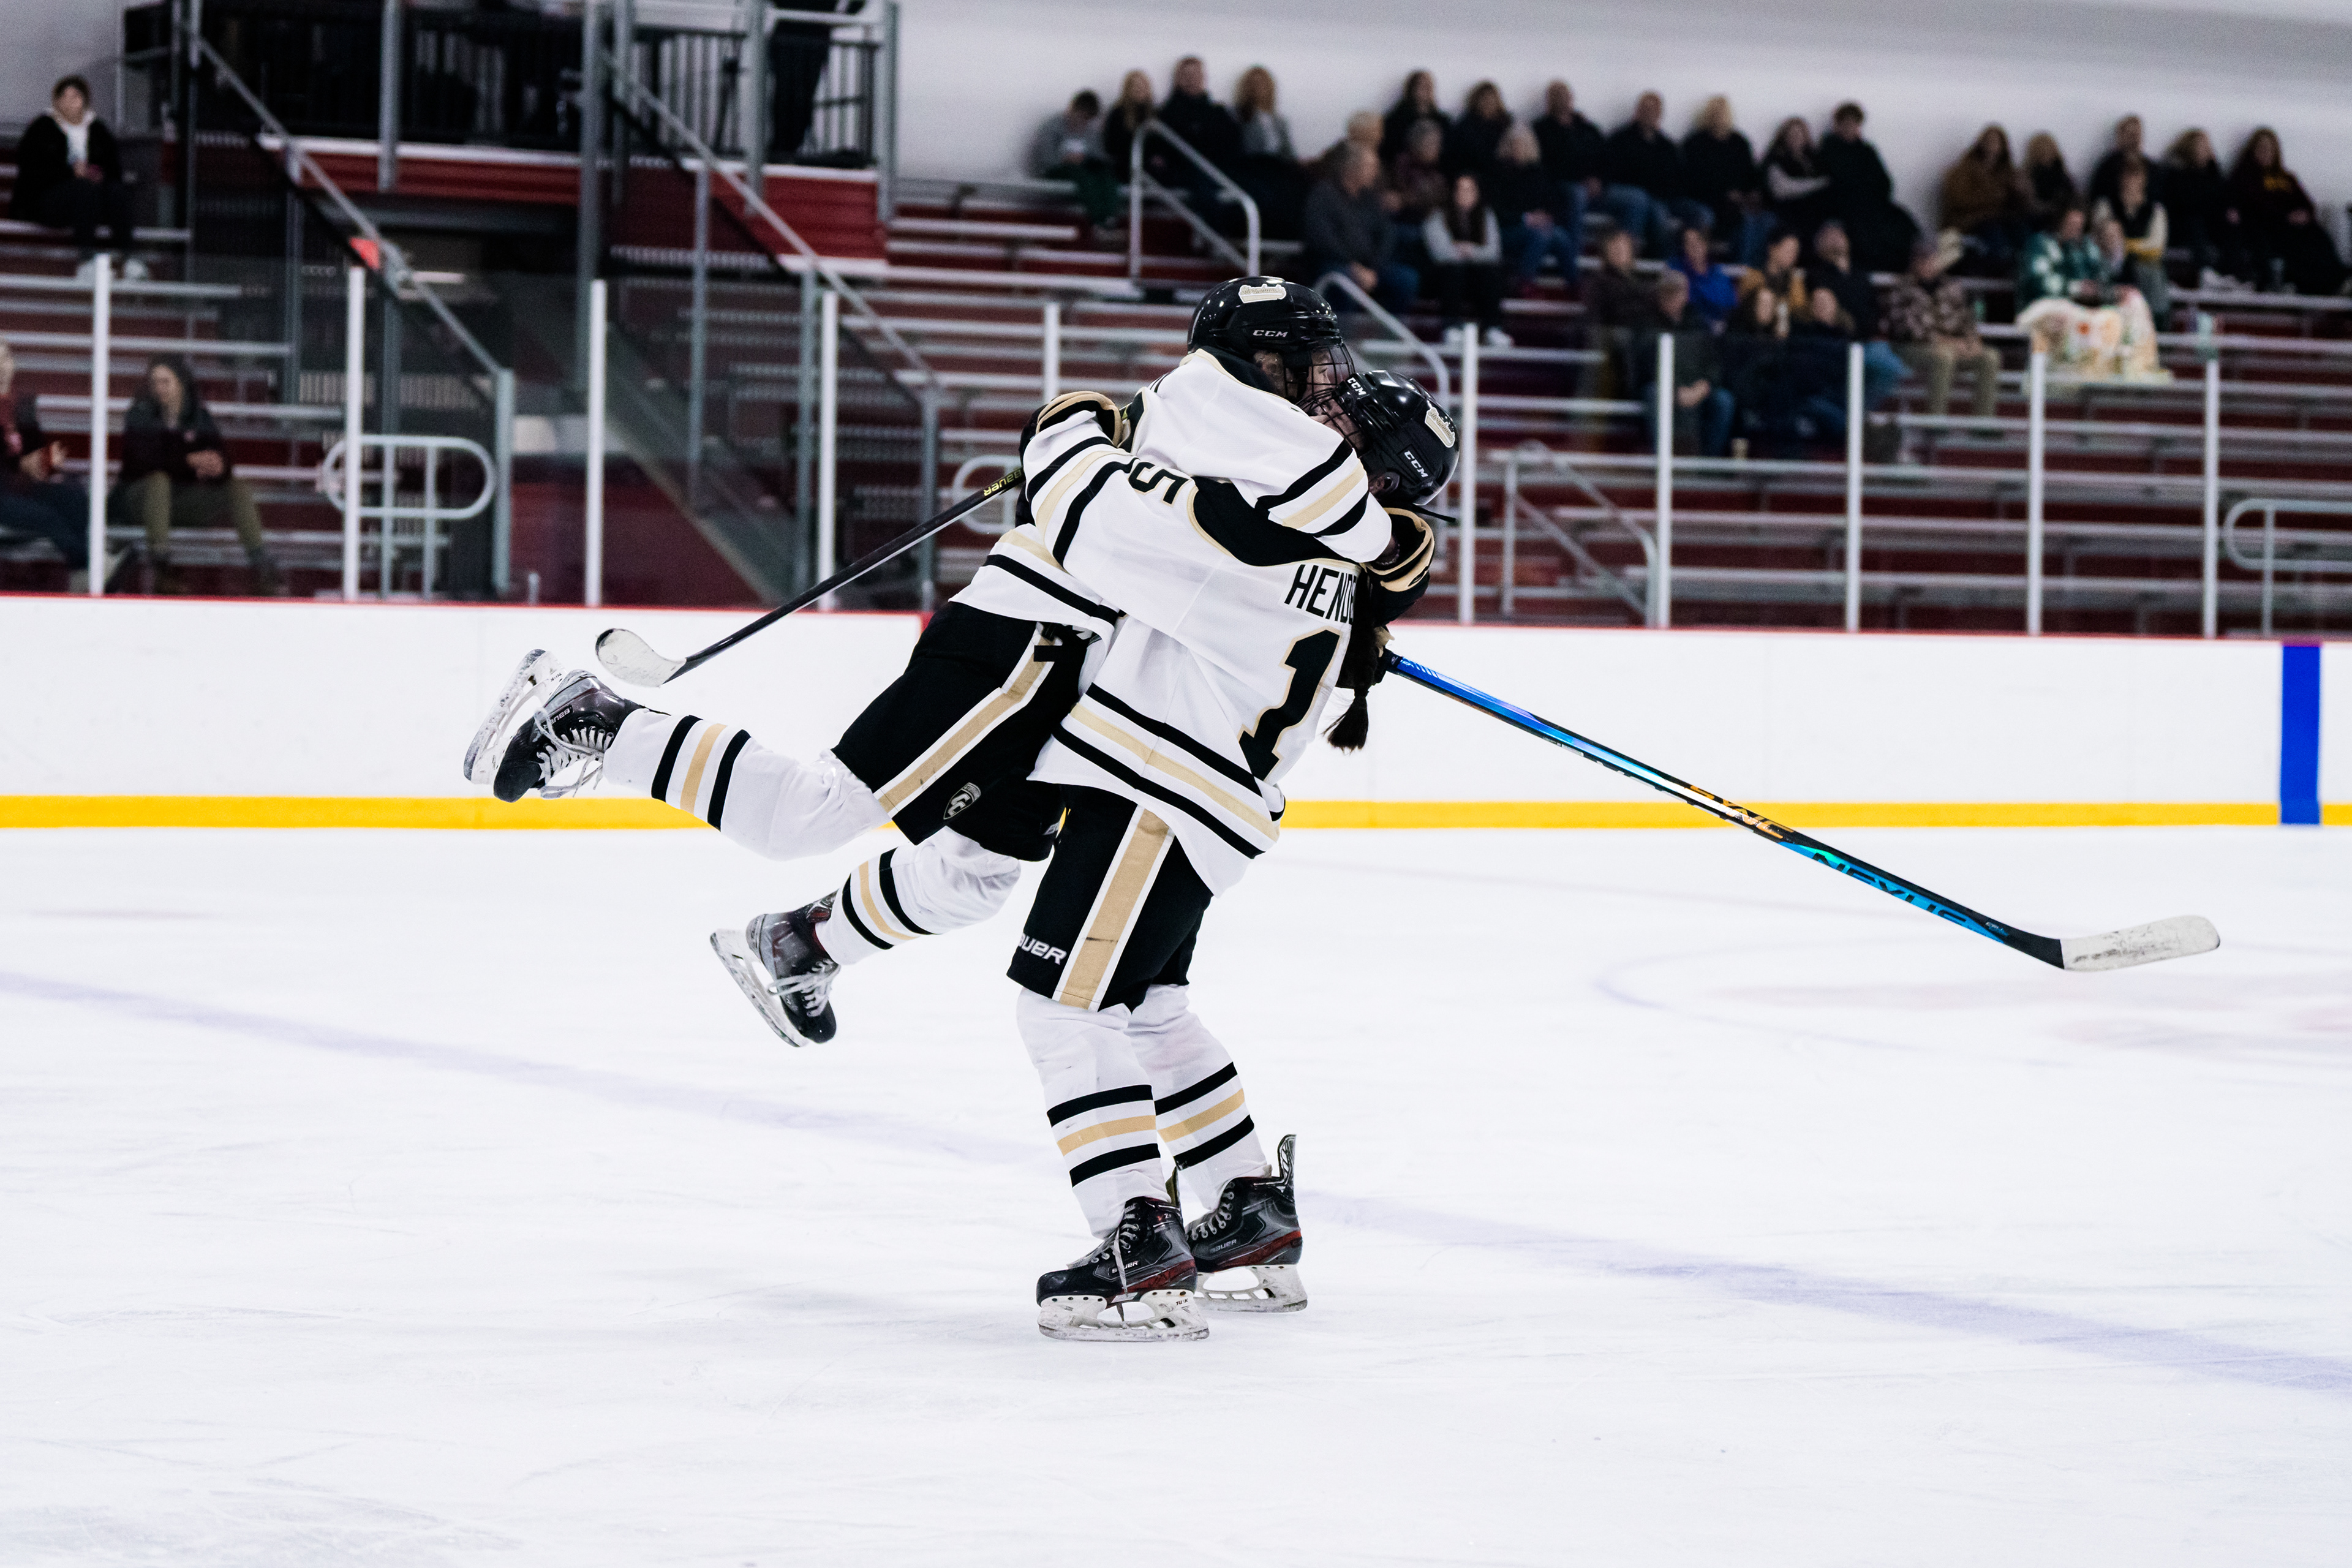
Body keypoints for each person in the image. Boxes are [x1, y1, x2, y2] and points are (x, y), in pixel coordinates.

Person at [472, 281, 1449, 1343]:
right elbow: (1302, 540)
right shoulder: (1315, 521)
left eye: (1343, 405)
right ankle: (677, 804)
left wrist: (1070, 429)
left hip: (1097, 696)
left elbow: (1116, 508)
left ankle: (1133, 1225)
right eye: (1318, 380)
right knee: (918, 861)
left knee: (1018, 935)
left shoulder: (1261, 483)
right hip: (1068, 663)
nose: (1325, 401)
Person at [116, 355, 281, 595]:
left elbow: (222, 459)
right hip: (143, 501)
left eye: (166, 382)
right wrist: (188, 461)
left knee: (237, 486)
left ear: (181, 383)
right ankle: (162, 567)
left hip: (184, 502)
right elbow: (142, 462)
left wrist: (218, 465)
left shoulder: (199, 416)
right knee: (159, 481)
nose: (159, 388)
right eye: (155, 382)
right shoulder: (139, 415)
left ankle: (262, 565)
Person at [0, 338, 110, 591]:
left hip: (23, 488)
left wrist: (46, 461)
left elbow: (33, 449)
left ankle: (84, 574)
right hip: (3, 494)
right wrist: (22, 465)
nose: (2, 366)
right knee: (50, 517)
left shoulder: (20, 405)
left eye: (6, 358)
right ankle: (89, 568)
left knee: (74, 498)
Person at [9, 77, 145, 281]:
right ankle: (86, 262)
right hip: (50, 201)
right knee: (83, 189)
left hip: (93, 200)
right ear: (56, 101)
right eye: (64, 97)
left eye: (75, 96)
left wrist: (98, 174)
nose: (69, 102)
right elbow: (31, 171)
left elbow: (114, 168)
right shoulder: (42, 127)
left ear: (85, 100)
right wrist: (70, 173)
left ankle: (130, 259)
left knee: (116, 192)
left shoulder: (97, 128)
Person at [2015, 206, 2164, 381]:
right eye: (2071, 225)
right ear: (2059, 223)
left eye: (2079, 226)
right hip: (2042, 306)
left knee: (2131, 302)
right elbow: (2039, 284)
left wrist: (2112, 293)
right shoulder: (2040, 244)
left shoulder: (2085, 247)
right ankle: (2077, 374)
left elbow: (2100, 281)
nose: (2075, 231)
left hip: (2081, 308)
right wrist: (2078, 289)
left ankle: (2138, 369)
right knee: (2076, 317)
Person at [1883, 236, 2001, 420]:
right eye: (1923, 258)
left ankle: (1984, 422)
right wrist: (1952, 343)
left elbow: (1967, 320)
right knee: (1944, 356)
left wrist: (1972, 342)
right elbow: (1910, 331)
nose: (1928, 263)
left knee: (1990, 357)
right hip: (1912, 348)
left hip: (1953, 347)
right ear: (1914, 261)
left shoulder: (1952, 287)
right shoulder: (1902, 289)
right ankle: (1936, 421)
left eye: (1932, 257)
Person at [2227, 128, 2346, 296]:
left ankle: (2338, 278)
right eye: (2262, 148)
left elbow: (2306, 203)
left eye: (2270, 149)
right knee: (2296, 247)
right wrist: (2285, 217)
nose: (2266, 153)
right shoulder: (2245, 176)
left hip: (2295, 227)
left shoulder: (2286, 178)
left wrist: (2303, 214)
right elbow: (2255, 205)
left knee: (2318, 237)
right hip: (2269, 229)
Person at [1303, 145, 1419, 312]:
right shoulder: (1323, 195)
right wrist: (1353, 266)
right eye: (1370, 167)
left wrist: (1373, 267)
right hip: (1334, 263)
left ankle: (1387, 327)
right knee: (1342, 279)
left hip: (1370, 265)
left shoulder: (1370, 198)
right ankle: (1343, 326)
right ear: (1352, 168)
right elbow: (1322, 239)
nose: (1375, 173)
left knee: (1406, 279)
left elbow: (1386, 233)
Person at [1809, 219, 1904, 409]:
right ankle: (1848, 413)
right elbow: (1827, 317)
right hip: (1838, 344)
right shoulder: (1818, 276)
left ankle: (1858, 413)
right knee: (1883, 363)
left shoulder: (1860, 276)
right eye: (1830, 236)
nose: (1837, 239)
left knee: (1890, 366)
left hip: (1866, 341)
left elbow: (1872, 311)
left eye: (1839, 234)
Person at [1816, 102, 1919, 274]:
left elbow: (1884, 181)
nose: (1850, 128)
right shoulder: (1829, 149)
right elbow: (1833, 182)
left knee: (1902, 222)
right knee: (1866, 231)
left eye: (1854, 124)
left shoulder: (1866, 150)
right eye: (1846, 124)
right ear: (1838, 125)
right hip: (1845, 207)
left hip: (1873, 204)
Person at [1638, 272, 1732, 458]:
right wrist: (1673, 390)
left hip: (1698, 387)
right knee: (1654, 393)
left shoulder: (1699, 322)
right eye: (1667, 293)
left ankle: (1709, 464)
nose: (1671, 299)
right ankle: (1662, 459)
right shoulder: (1648, 323)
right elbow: (1646, 366)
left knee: (1723, 401)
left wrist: (1704, 386)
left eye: (1676, 292)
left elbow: (1713, 361)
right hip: (1665, 387)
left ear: (1686, 295)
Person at [1604, 92, 1708, 258]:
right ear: (1638, 111)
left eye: (1655, 111)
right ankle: (1655, 258)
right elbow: (1615, 174)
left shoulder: (1667, 146)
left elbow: (1677, 178)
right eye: (1646, 110)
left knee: (1702, 214)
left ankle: (1686, 258)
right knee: (1654, 211)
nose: (1650, 114)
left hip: (1665, 197)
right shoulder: (1621, 139)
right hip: (1638, 196)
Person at [1680, 96, 1771, 267]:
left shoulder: (1739, 143)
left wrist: (1752, 193)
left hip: (1737, 202)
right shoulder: (1696, 143)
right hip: (1705, 199)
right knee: (1721, 218)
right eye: (1715, 113)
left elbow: (1750, 175)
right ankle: (1713, 266)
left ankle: (1747, 269)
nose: (1719, 117)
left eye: (1722, 113)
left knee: (1759, 219)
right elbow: (1692, 180)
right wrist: (1724, 193)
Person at [1489, 126, 1581, 288]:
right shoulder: (1497, 173)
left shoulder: (1539, 174)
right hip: (1506, 229)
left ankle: (1574, 285)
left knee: (1562, 238)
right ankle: (1525, 283)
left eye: (1523, 144)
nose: (1518, 149)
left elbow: (1553, 202)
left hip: (1536, 227)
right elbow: (1495, 211)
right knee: (1541, 235)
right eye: (1514, 144)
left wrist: (1547, 217)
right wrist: (1526, 218)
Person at [1425, 173, 1510, 347]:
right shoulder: (1438, 215)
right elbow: (1440, 252)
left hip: (1476, 275)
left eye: (1470, 190)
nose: (1465, 194)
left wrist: (1469, 250)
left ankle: (1493, 328)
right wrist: (1470, 252)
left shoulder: (1486, 215)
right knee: (1454, 271)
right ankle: (1451, 327)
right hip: (1446, 275)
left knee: (1491, 272)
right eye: (1461, 190)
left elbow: (1493, 252)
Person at [1156, 58, 1243, 216]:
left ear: (1204, 78)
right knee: (1205, 185)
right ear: (1178, 79)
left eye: (1196, 74)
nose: (1192, 79)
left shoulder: (1218, 112)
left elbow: (1233, 143)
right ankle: (1217, 230)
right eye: (1186, 75)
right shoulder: (1167, 113)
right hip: (1187, 171)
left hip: (1219, 169)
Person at [1940, 125, 2029, 273]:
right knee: (1994, 235)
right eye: (1990, 141)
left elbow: (2019, 206)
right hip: (1969, 222)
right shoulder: (1964, 170)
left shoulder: (2009, 173)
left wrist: (2021, 193)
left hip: (2000, 219)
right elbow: (1959, 200)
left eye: (1997, 142)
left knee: (2021, 231)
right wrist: (1995, 197)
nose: (1993, 146)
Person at [1232, 67, 1305, 240]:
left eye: (1262, 84)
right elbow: (1246, 146)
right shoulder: (1240, 116)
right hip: (1255, 166)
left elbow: (1288, 151)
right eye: (1254, 84)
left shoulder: (1279, 121)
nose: (1258, 88)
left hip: (1278, 166)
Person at [2091, 164, 2171, 322]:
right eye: (2127, 176)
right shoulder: (2106, 204)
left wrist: (2124, 246)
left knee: (2152, 274)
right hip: (2109, 262)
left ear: (2144, 180)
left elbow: (2156, 247)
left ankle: (2156, 319)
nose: (2131, 182)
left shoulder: (2155, 209)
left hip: (2142, 266)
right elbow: (2098, 237)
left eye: (2135, 176)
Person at [1531, 80, 1604, 252]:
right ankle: (1572, 252)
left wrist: (1598, 178)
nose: (1562, 100)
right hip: (1559, 187)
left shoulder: (1587, 129)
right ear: (1549, 101)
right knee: (1577, 194)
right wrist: (1580, 179)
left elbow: (1603, 158)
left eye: (1565, 96)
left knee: (1635, 200)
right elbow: (1544, 166)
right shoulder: (1541, 130)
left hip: (1595, 187)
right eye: (1557, 96)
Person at [1029, 89, 1119, 230]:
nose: (1083, 122)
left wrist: (1088, 159)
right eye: (1081, 116)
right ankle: (1097, 221)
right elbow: (1045, 158)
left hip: (1082, 170)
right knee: (1081, 175)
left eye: (1087, 119)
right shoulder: (1052, 126)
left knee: (1105, 175)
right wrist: (1065, 159)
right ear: (1073, 109)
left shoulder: (1090, 131)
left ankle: (1110, 218)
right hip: (1056, 170)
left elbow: (1099, 157)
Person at [2163, 128, 2239, 287]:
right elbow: (2184, 203)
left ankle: (2233, 275)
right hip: (2182, 225)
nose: (2206, 151)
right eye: (2201, 147)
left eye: (2207, 147)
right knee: (2194, 222)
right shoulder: (2176, 173)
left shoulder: (2214, 174)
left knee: (2232, 226)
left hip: (2208, 223)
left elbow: (2223, 198)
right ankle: (2205, 272)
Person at [1762, 117, 1836, 244]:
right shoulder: (1775, 159)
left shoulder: (1815, 159)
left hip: (1815, 217)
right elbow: (1781, 189)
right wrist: (1818, 184)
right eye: (1791, 134)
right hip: (1788, 215)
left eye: (1799, 134)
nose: (1796, 138)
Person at [1670, 221, 1738, 329]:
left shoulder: (1718, 274)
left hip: (1717, 328)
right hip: (1685, 327)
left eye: (1698, 241)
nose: (1694, 247)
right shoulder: (1675, 269)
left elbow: (1728, 304)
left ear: (1705, 244)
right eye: (1689, 243)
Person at [1737, 227, 1811, 324]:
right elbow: (1747, 306)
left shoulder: (1795, 280)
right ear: (1772, 249)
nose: (1793, 256)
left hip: (1786, 330)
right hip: (1753, 329)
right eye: (1789, 250)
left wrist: (1796, 282)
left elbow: (1800, 311)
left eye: (1795, 252)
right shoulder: (1753, 275)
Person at [2087, 115, 2160, 212]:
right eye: (2130, 135)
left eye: (2137, 135)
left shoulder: (2152, 168)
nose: (2134, 140)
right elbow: (2097, 197)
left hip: (2145, 213)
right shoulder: (2107, 167)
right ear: (2120, 136)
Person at [1446, 81, 1512, 180]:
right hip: (1472, 177)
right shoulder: (1464, 127)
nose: (1488, 103)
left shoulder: (1507, 125)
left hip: (1502, 177)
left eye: (1491, 99)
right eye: (1484, 99)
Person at [1380, 71, 1448, 165]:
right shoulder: (1398, 118)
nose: (1424, 91)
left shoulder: (1442, 120)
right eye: (1421, 87)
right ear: (1411, 89)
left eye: (1428, 87)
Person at [1099, 70, 1156, 179]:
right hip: (1126, 167)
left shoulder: (1154, 113)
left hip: (1149, 167)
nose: (1140, 89)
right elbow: (1112, 146)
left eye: (1143, 86)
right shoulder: (1118, 114)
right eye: (1136, 86)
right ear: (1128, 89)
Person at [2021, 134, 2078, 228]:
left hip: (2063, 218)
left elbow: (2073, 197)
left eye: (2049, 150)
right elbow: (2029, 203)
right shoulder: (2027, 176)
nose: (2047, 154)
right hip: (2037, 220)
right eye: (2042, 151)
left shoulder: (2062, 175)